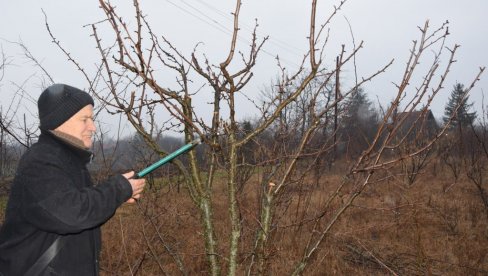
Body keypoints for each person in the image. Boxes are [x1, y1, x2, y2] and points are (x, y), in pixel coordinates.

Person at [0, 83, 146, 276]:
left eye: (92, 119)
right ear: (60, 121)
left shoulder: (69, 162)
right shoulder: (41, 162)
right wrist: (117, 190)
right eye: (85, 119)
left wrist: (116, 196)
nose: (93, 127)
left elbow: (80, 211)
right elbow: (72, 215)